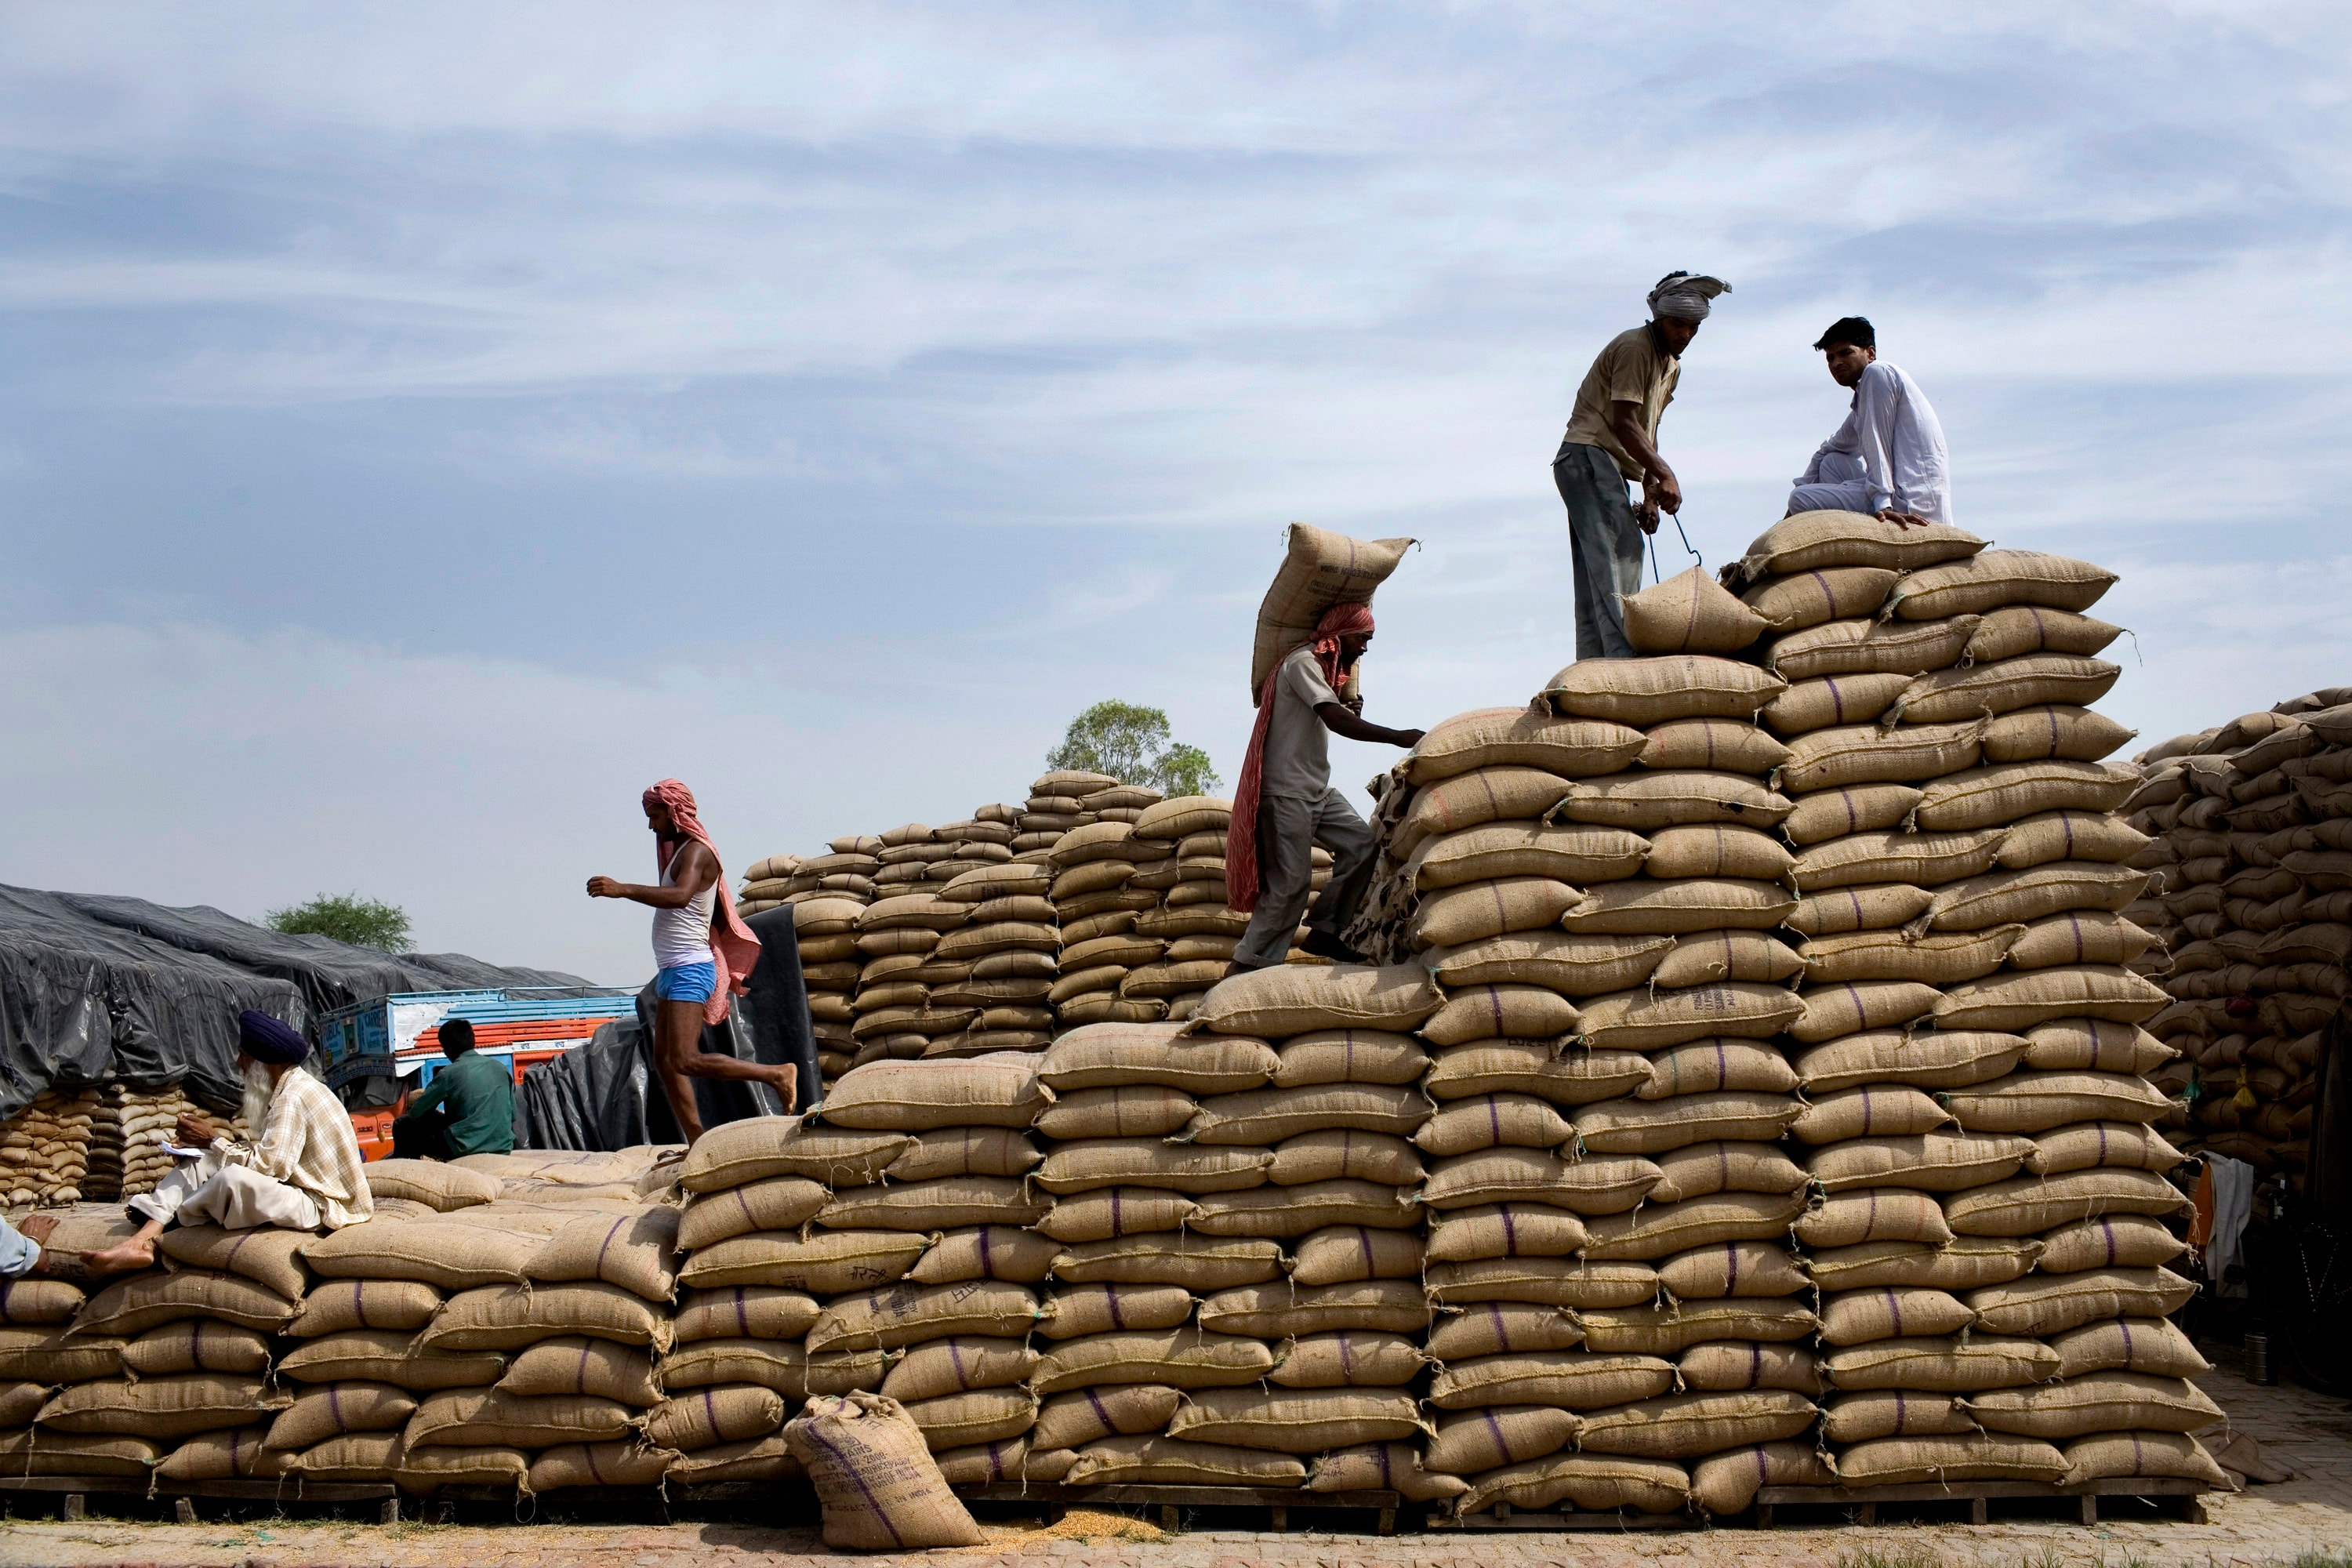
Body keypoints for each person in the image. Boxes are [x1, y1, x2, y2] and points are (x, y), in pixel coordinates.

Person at [83, 1011, 373, 1273]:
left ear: (263, 1062)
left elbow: (270, 1168)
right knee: (199, 1161)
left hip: (323, 1206)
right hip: (298, 1190)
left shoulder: (292, 1097)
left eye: (243, 1056)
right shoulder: (292, 1089)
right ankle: (143, 1239)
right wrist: (205, 1148)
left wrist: (213, 1139)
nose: (238, 1065)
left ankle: (167, 1229)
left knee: (231, 1179)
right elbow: (272, 1159)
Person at [587, 779, 793, 1145]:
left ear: (674, 811)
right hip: (671, 969)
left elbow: (681, 897)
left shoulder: (698, 852)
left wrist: (623, 889)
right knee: (665, 1062)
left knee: (683, 1058)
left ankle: (776, 1074)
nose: (652, 826)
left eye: (655, 816)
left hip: (689, 968)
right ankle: (696, 1141)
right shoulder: (680, 853)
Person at [1227, 603, 1425, 971]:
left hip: (1316, 789)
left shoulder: (1321, 672)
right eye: (1362, 639)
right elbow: (1334, 720)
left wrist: (1351, 711)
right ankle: (1246, 966)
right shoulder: (1301, 662)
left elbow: (1336, 715)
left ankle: (1326, 930)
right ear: (1341, 634)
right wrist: (1398, 736)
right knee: (1289, 886)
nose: (1365, 648)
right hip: (1285, 792)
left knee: (1362, 845)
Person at [1554, 271, 1731, 659]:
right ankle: (1622, 660)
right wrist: (1666, 474)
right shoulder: (1636, 346)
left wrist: (1651, 494)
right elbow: (1624, 422)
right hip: (1588, 456)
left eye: (1693, 327)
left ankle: (1595, 664)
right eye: (1678, 324)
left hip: (1607, 465)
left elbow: (1648, 431)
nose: (1685, 334)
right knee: (1619, 558)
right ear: (1658, 318)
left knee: (1599, 570)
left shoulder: (1671, 365)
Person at [1787, 316, 1951, 528]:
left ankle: (1879, 519)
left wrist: (1883, 504)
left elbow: (1877, 444)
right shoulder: (1863, 398)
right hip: (1893, 492)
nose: (1836, 363)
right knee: (1831, 462)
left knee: (1800, 498)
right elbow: (1827, 449)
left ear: (1870, 353)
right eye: (1830, 358)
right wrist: (1784, 520)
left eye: (1845, 353)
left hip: (1909, 499)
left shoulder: (1878, 374)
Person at [390, 1018, 515, 1160]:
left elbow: (416, 1114)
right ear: (472, 1041)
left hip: (463, 1148)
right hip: (503, 1147)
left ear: (449, 1048)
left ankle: (408, 1174)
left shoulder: (448, 1074)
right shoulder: (500, 1068)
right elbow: (513, 1114)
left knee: (402, 1125)